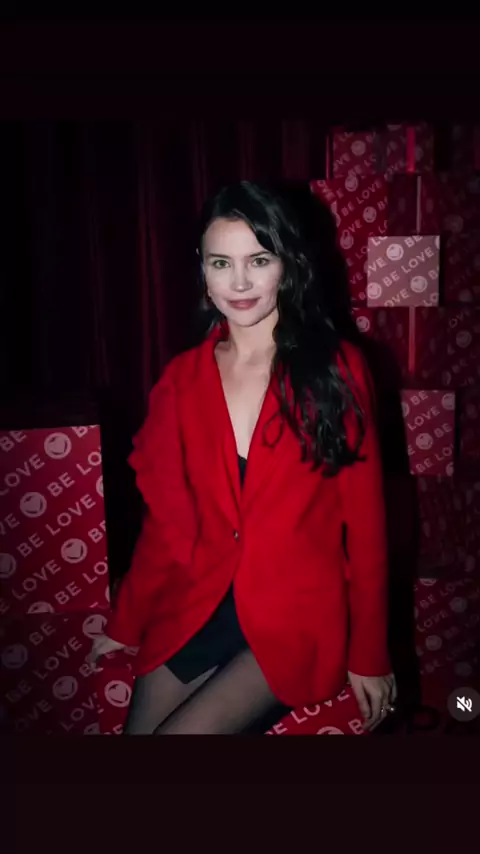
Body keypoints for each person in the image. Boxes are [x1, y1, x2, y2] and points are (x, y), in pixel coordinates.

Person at [88, 180, 397, 735]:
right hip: (201, 602)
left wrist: (370, 653)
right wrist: (125, 622)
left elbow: (368, 526)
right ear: (202, 270)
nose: (239, 283)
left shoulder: (336, 370)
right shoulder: (182, 381)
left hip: (295, 614)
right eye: (220, 263)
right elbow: (166, 524)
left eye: (258, 260)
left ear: (288, 264)